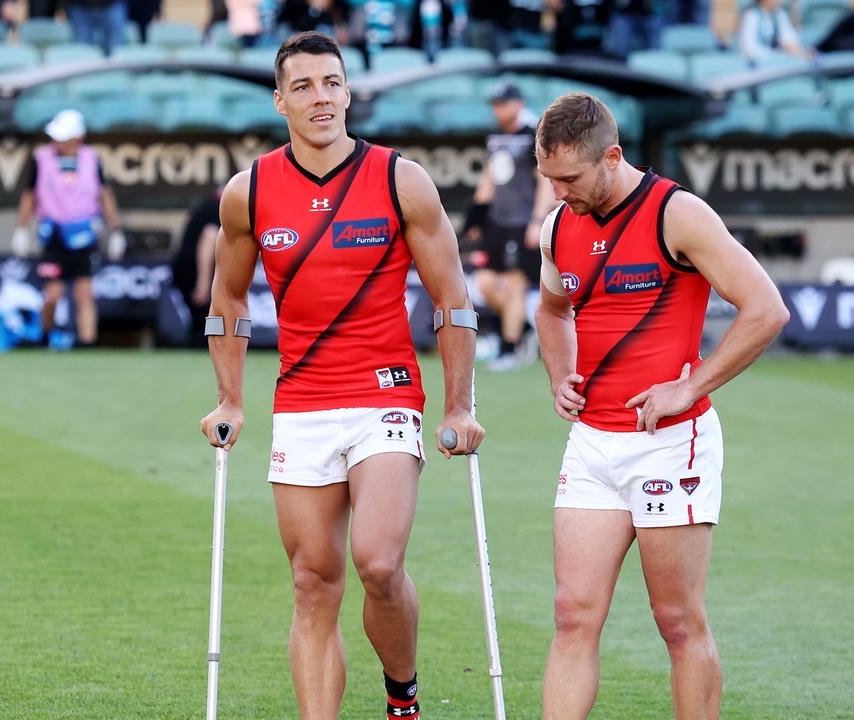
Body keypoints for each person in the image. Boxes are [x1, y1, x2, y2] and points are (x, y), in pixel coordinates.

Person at [198, 31, 484, 720]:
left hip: (384, 393)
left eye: (331, 83)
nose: (320, 98)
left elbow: (452, 301)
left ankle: (402, 697)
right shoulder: (249, 193)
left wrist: (459, 407)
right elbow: (227, 303)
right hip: (302, 401)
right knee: (311, 583)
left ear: (348, 91)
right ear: (280, 100)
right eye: (303, 86)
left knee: (378, 564)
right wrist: (229, 397)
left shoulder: (399, 178)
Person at [532, 92, 789, 719]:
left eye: (568, 178)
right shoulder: (558, 226)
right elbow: (551, 308)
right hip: (592, 445)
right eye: (549, 178)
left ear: (612, 157)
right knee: (572, 616)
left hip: (671, 443)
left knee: (677, 622)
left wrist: (690, 386)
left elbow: (767, 310)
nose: (558, 192)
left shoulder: (677, 214)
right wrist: (560, 371)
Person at [12, 109, 125, 349]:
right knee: (52, 294)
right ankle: (45, 335)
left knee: (84, 293)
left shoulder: (92, 158)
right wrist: (21, 229)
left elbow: (105, 196)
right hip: (53, 234)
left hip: (84, 234)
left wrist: (115, 230)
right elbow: (29, 196)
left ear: (77, 137)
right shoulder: (41, 158)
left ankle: (87, 342)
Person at [464, 81, 553, 370]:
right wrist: (475, 220)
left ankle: (509, 348)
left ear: (518, 103)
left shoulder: (533, 136)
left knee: (515, 285)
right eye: (494, 104)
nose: (498, 109)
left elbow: (545, 182)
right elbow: (489, 179)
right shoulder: (495, 137)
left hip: (521, 222)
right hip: (496, 223)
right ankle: (524, 330)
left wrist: (537, 221)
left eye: (503, 103)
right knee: (486, 284)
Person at [170, 191, 220, 347]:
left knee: (201, 323)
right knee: (206, 321)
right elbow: (208, 238)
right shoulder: (220, 207)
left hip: (185, 267)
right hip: (193, 270)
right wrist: (203, 283)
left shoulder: (208, 206)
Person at [736, 0, 809, 64]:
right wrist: (778, 54)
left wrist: (799, 51)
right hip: (756, 65)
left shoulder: (780, 14)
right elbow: (750, 50)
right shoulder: (751, 16)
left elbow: (789, 39)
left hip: (777, 62)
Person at [63, 0, 128, 55]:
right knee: (82, 48)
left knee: (116, 47)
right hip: (81, 7)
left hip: (112, 5)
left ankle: (116, 69)